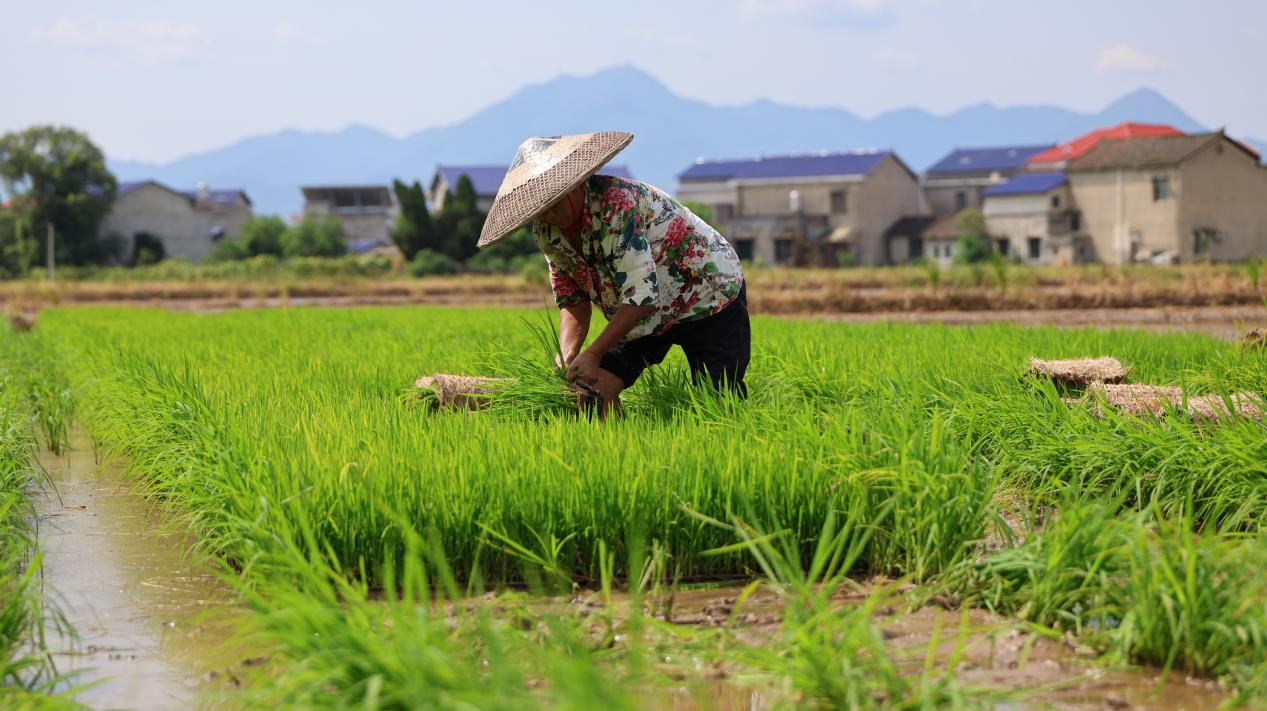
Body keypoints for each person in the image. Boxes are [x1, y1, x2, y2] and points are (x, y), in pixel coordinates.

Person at [477, 131, 749, 413]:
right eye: (539, 209)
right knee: (592, 391)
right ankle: (613, 450)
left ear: (576, 186)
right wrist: (568, 353)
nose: (547, 214)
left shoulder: (615, 206)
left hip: (707, 293)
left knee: (719, 403)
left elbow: (641, 297)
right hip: (641, 312)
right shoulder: (547, 232)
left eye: (553, 203)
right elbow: (572, 298)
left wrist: (593, 352)